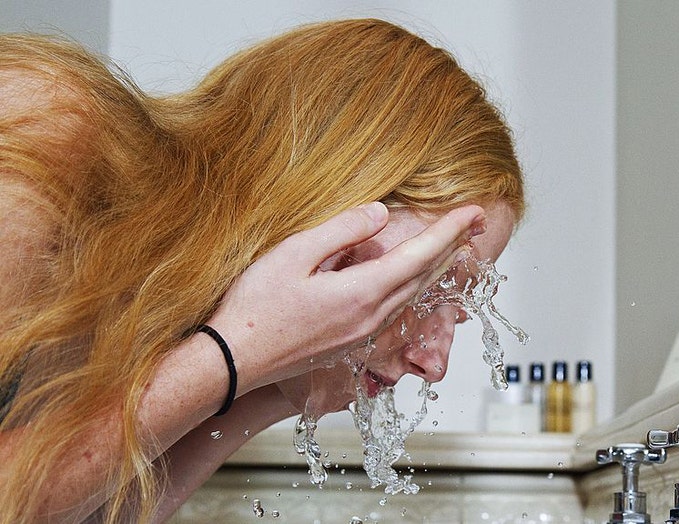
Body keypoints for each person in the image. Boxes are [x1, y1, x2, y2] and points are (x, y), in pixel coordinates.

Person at [0, 18, 524, 523]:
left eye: (463, 311)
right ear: (327, 199)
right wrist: (234, 353)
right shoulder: (45, 138)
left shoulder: (161, 324)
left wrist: (269, 381)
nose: (435, 363)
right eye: (430, 289)